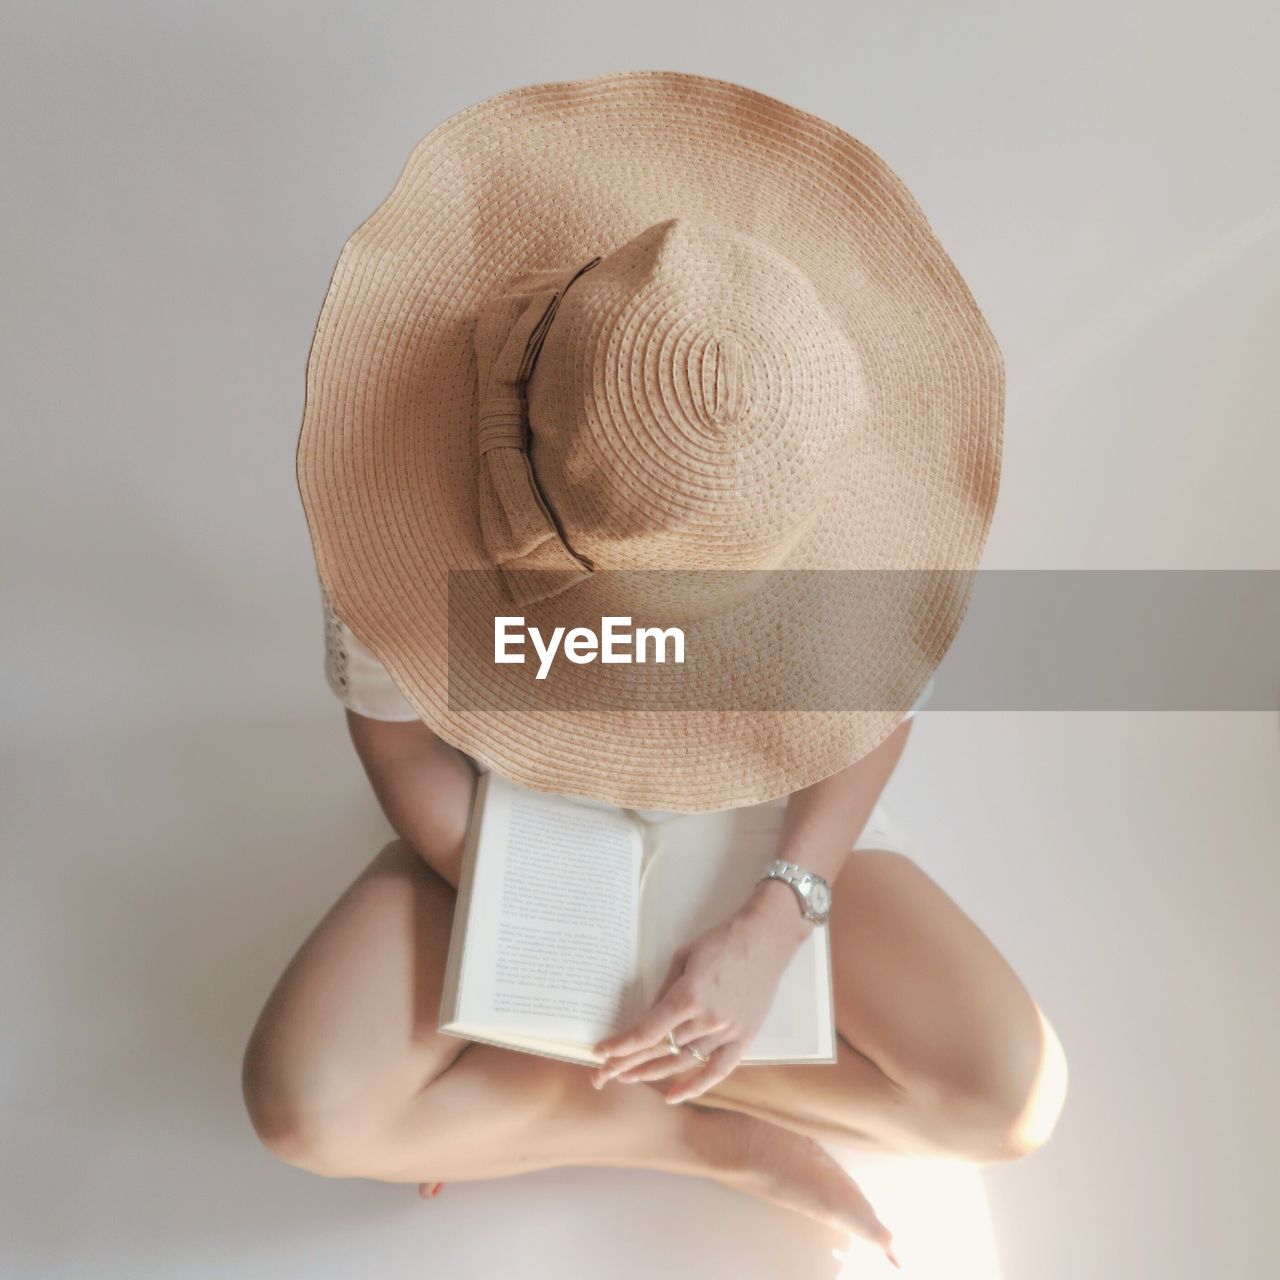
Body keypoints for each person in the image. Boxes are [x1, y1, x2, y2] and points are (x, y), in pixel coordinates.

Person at [240, 70, 1069, 1266]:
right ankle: (699, 1137)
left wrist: (773, 922)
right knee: (305, 1097)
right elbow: (399, 738)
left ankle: (586, 1099)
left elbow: (869, 711)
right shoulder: (405, 513)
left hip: (756, 822)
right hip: (504, 821)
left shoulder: (818, 470)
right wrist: (539, 907)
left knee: (1005, 1093)